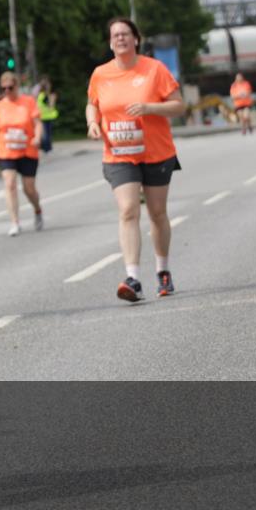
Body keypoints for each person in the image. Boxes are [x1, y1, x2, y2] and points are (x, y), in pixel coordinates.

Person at [86, 17, 186, 303]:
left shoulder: (154, 69)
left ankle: (163, 271)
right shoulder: (100, 74)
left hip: (156, 151)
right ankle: (133, 278)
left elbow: (178, 105)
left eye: (125, 34)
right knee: (128, 209)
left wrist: (148, 107)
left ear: (136, 39)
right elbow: (92, 105)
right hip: (118, 154)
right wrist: (93, 123)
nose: (120, 39)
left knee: (157, 213)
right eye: (115, 35)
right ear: (110, 42)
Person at [0, 71, 43, 237]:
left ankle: (37, 209)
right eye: (3, 88)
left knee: (29, 188)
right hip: (6, 150)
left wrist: (37, 137)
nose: (7, 91)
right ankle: (15, 222)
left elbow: (38, 123)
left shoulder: (28, 102)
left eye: (10, 87)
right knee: (9, 184)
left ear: (16, 86)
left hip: (27, 149)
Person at [35, 76, 59, 153]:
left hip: (44, 116)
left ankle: (46, 147)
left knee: (46, 133)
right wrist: (52, 98)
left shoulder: (40, 95)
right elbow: (50, 105)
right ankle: (47, 148)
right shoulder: (45, 95)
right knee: (47, 134)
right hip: (45, 116)